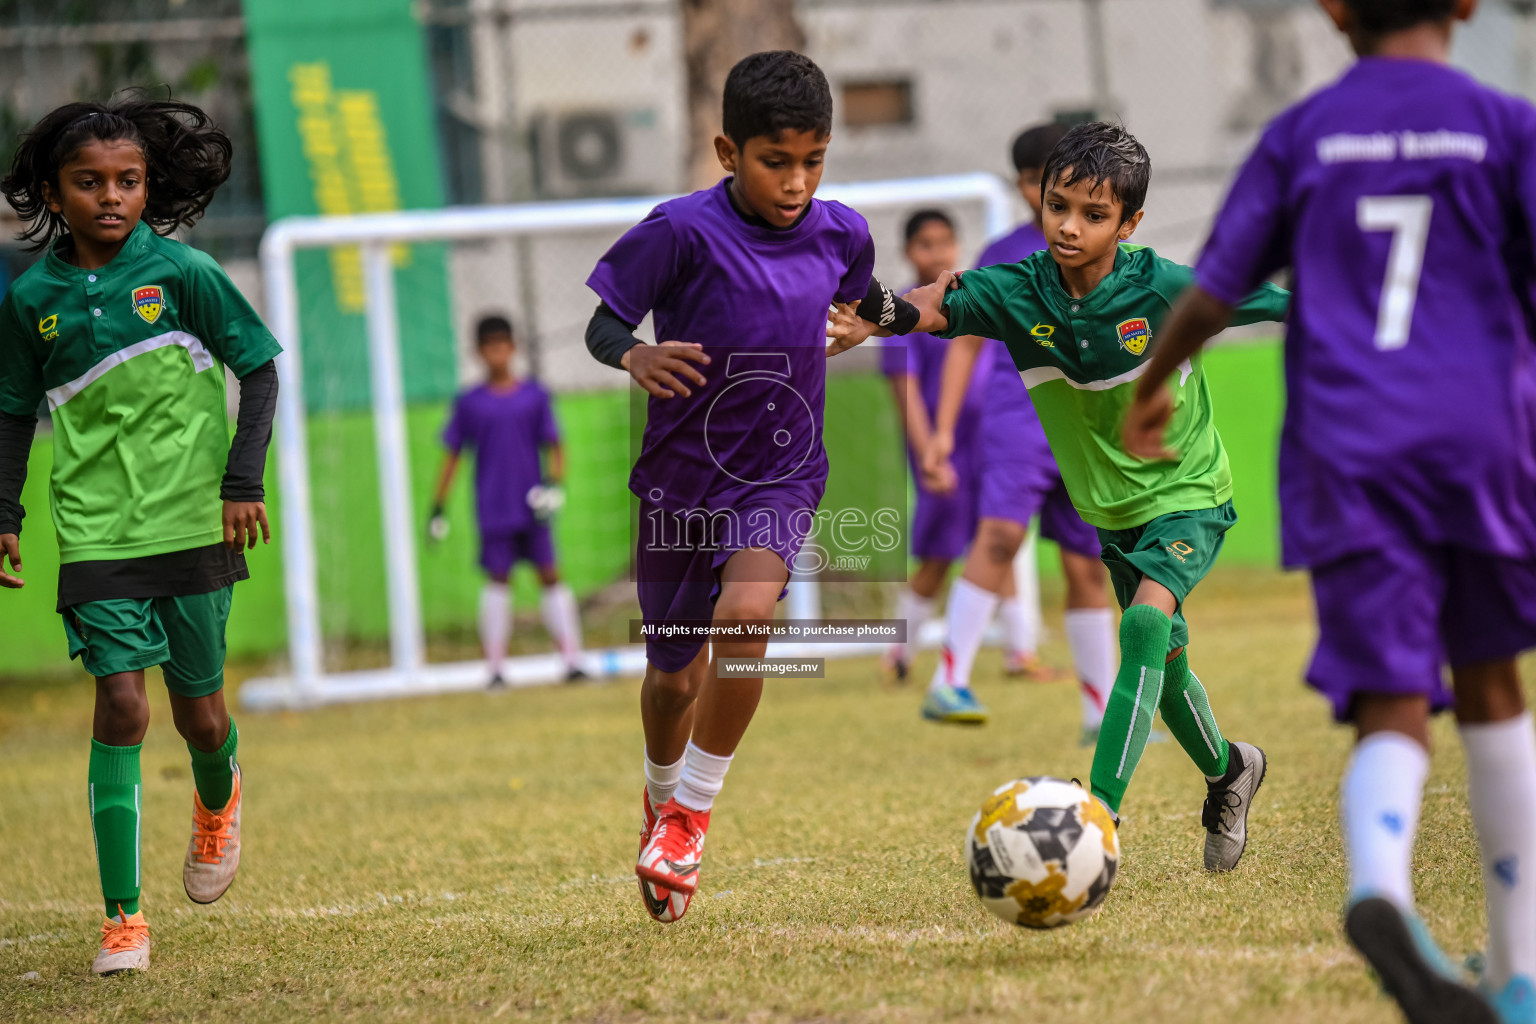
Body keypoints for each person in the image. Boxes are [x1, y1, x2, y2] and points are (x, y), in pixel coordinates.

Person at [1125, 2, 1534, 1020]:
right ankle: (1520, 975)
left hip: (1349, 448)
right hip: (1482, 435)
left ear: (1335, 11)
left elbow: (1216, 288)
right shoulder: (1506, 126)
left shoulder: (1303, 134)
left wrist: (1153, 384)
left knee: (1390, 699)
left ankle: (1379, 890)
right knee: (1491, 686)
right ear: (1469, 6)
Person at [832, 121, 1287, 873]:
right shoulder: (1018, 290)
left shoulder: (1162, 287)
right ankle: (1230, 769)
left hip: (1189, 490)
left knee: (1142, 629)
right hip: (1112, 510)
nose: (1070, 226)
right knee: (1164, 671)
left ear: (1129, 223)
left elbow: (1267, 302)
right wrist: (876, 315)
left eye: (1094, 213)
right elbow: (934, 305)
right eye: (1058, 206)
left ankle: (1097, 816)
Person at [0, 99, 280, 975]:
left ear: (147, 184)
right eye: (90, 183)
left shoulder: (186, 272)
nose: (111, 198)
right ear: (54, 191)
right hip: (92, 535)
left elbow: (260, 370)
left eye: (128, 181)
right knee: (123, 705)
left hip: (192, 521)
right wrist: (5, 514)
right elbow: (12, 413)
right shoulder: (32, 298)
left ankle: (216, 795)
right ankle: (123, 920)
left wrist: (241, 482)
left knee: (201, 717)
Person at [921, 122, 1119, 739]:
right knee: (1001, 535)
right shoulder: (1002, 255)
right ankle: (948, 679)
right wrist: (943, 432)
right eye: (1040, 183)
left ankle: (1100, 712)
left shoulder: (1108, 252)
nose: (1052, 196)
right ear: (1023, 186)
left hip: (1086, 432)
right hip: (1018, 422)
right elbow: (963, 346)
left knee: (1089, 566)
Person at [881, 208, 1038, 685]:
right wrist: (933, 453)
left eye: (945, 242)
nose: (937, 253)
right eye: (926, 244)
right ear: (909, 252)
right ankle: (899, 652)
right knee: (939, 553)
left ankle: (1020, 651)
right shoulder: (902, 316)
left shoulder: (975, 305)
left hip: (986, 445)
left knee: (999, 537)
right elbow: (907, 398)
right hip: (942, 455)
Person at [428, 315, 584, 686]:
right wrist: (437, 506)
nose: (497, 353)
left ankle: (572, 660)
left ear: (513, 347)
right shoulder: (470, 403)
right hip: (494, 507)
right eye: (489, 347)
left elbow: (556, 446)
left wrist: (554, 485)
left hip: (534, 507)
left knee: (550, 574)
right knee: (498, 580)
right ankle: (496, 669)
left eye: (503, 345)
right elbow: (452, 454)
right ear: (479, 352)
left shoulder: (535, 396)